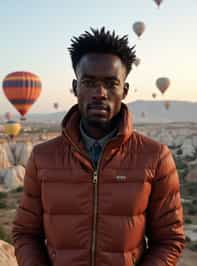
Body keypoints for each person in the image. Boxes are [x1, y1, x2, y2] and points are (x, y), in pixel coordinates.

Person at [12, 27, 185, 266]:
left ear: (124, 90)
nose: (100, 93)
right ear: (75, 87)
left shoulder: (155, 157)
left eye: (111, 83)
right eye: (90, 82)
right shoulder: (43, 157)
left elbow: (169, 239)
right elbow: (25, 233)